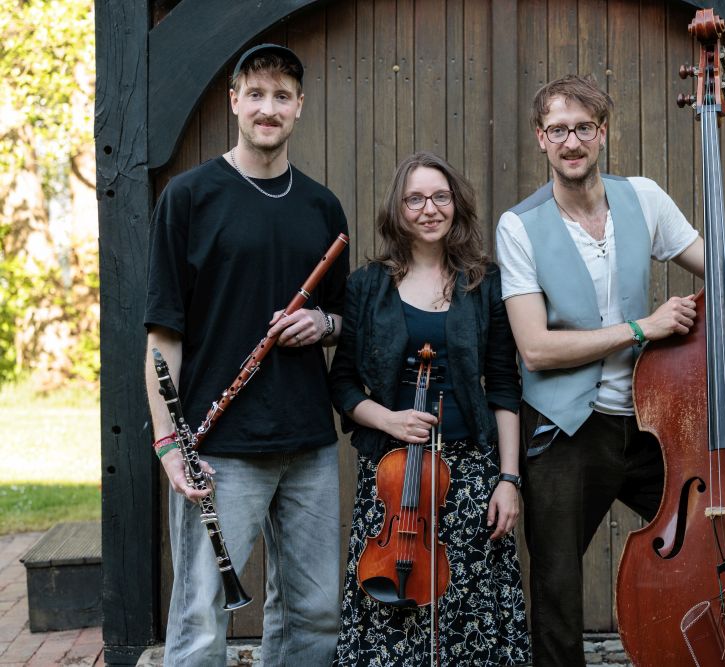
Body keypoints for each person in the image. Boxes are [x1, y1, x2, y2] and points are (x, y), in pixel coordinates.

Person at [494, 74, 725, 666]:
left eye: (583, 128)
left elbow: (722, 270)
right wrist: (642, 329)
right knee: (557, 586)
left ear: (602, 133)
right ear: (541, 138)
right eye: (558, 130)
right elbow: (535, 350)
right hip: (566, 427)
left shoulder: (643, 197)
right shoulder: (519, 226)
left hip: (651, 424)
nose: (571, 142)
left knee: (720, 534)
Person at [143, 44, 350, 666]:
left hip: (308, 443)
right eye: (256, 94)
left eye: (282, 96)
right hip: (220, 447)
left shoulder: (322, 206)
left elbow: (345, 319)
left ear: (299, 106)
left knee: (316, 614)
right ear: (234, 101)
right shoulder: (188, 197)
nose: (268, 108)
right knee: (201, 619)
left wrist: (323, 322)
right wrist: (167, 443)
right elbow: (162, 337)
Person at [329, 151, 531, 666]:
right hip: (392, 478)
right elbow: (343, 384)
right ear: (398, 209)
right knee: (391, 609)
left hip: (469, 474)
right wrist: (389, 419)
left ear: (456, 204)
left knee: (470, 609)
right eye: (415, 198)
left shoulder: (483, 282)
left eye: (440, 197)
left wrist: (508, 479)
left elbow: (503, 387)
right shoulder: (367, 285)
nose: (429, 209)